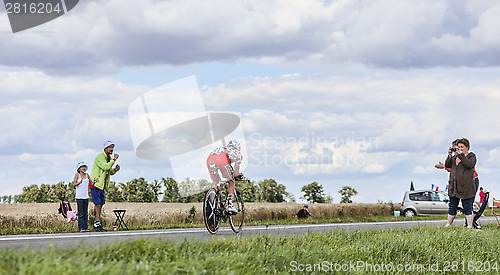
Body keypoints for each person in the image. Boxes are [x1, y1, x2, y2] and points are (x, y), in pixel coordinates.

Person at [444, 138, 476, 228]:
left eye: (462, 147)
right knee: (452, 206)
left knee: (467, 206)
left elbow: (469, 165)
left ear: (467, 147)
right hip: (454, 187)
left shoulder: (471, 156)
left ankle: (469, 225)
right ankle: (448, 224)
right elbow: (447, 165)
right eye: (458, 147)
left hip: (466, 187)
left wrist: (461, 155)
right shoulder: (455, 157)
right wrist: (450, 155)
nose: (459, 149)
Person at [90, 141, 120, 232]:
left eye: (112, 148)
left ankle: (97, 223)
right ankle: (96, 224)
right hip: (96, 184)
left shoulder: (108, 158)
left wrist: (115, 170)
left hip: (102, 185)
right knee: (97, 204)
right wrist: (114, 160)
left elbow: (109, 171)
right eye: (110, 147)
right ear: (105, 148)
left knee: (101, 204)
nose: (111, 149)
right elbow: (105, 167)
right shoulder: (100, 157)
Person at [206, 140, 243, 214]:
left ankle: (215, 204)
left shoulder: (222, 148)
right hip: (222, 161)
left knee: (218, 183)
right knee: (231, 181)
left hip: (210, 160)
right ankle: (231, 206)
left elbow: (223, 172)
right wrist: (238, 175)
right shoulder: (239, 154)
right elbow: (236, 173)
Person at [73, 162, 98, 232]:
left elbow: (91, 183)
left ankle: (85, 227)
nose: (84, 168)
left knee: (85, 213)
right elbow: (74, 184)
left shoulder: (87, 175)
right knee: (80, 213)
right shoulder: (77, 175)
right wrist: (79, 182)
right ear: (79, 168)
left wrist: (94, 182)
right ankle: (81, 228)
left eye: (85, 167)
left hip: (85, 196)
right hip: (79, 197)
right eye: (82, 167)